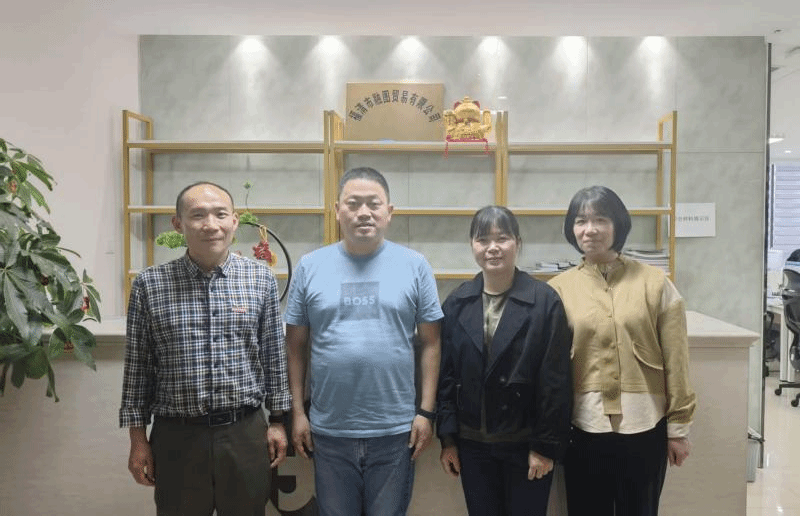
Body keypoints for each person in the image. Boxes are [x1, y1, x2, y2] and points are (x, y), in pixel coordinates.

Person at [119, 181, 292, 516]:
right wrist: (138, 440)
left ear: (234, 222)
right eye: (198, 215)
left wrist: (277, 421)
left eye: (220, 214)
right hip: (176, 436)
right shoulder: (149, 285)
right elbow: (138, 370)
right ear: (178, 224)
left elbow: (273, 357)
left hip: (245, 433)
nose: (210, 224)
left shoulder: (260, 280)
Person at [284, 166, 443, 516]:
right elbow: (294, 346)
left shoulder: (415, 265)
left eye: (374, 203)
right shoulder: (310, 266)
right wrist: (297, 413)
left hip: (396, 432)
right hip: (329, 431)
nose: (364, 212)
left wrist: (425, 412)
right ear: (337, 210)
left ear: (390, 211)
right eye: (353, 203)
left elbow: (431, 343)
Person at [547, 186, 696, 516]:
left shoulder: (655, 283)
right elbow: (551, 371)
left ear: (619, 225)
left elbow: (677, 360)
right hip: (583, 426)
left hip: (645, 424)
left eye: (601, 219)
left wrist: (678, 429)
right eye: (581, 221)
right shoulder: (557, 290)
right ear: (571, 228)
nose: (590, 229)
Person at [436, 206, 572, 516]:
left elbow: (556, 381)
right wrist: (448, 439)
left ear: (518, 244)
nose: (493, 247)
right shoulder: (457, 302)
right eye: (483, 239)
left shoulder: (544, 301)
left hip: (526, 446)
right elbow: (447, 376)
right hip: (472, 446)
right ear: (472, 245)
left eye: (502, 238)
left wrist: (544, 447)